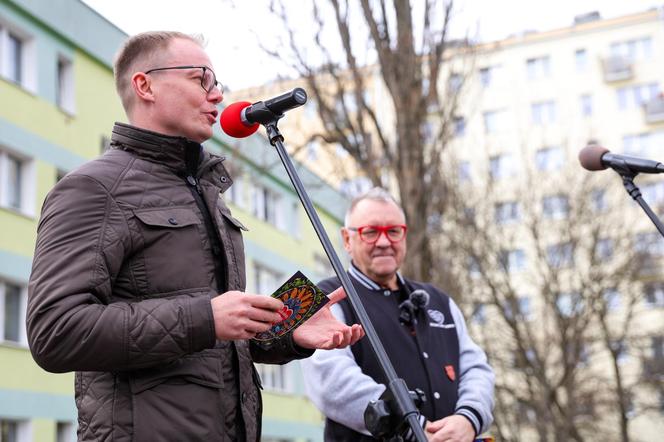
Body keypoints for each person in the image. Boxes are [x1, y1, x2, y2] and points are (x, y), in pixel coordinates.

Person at [26, 31, 362, 442]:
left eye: (217, 83)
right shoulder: (94, 189)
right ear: (144, 84)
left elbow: (211, 341)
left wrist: (286, 332)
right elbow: (55, 331)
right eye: (200, 79)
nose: (216, 95)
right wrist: (207, 318)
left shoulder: (208, 194)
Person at [301, 187, 495, 442]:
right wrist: (411, 424)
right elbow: (333, 383)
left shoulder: (440, 301)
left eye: (393, 231)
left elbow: (476, 369)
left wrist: (469, 418)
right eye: (370, 232)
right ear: (347, 240)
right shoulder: (325, 298)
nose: (384, 242)